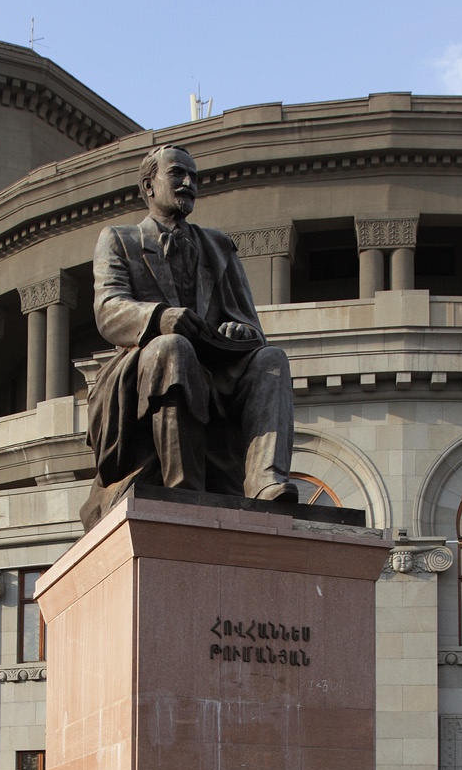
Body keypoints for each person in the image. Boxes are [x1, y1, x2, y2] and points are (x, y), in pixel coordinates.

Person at [80, 143, 298, 529]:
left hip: (216, 369)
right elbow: (109, 311)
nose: (188, 183)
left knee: (272, 361)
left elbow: (250, 327)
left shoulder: (218, 247)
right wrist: (161, 318)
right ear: (149, 186)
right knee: (172, 347)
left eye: (194, 177)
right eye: (178, 174)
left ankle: (266, 480)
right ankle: (184, 486)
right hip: (143, 372)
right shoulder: (119, 239)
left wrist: (239, 330)